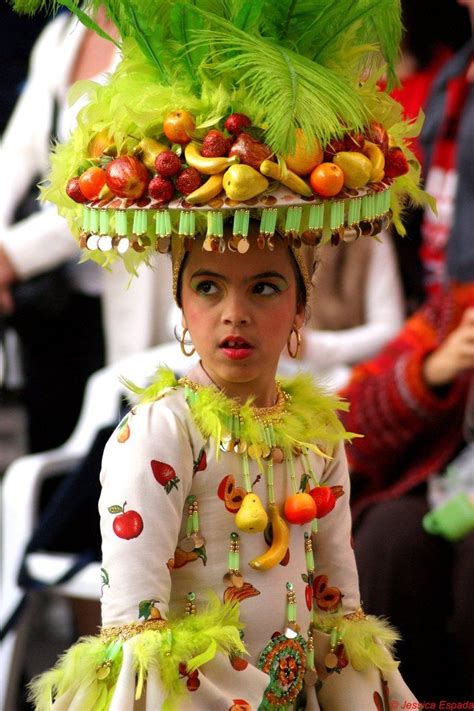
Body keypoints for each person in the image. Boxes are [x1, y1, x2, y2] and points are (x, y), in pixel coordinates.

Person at [10, 0, 428, 708]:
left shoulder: (322, 432)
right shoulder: (155, 434)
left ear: (300, 309)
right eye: (209, 286)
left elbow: (338, 611)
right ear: (182, 305)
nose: (234, 312)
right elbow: (137, 628)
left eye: (264, 287)